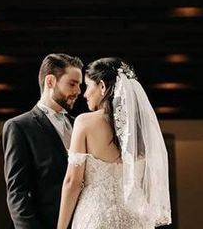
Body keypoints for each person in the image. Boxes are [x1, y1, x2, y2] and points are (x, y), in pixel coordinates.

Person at [56, 57, 172, 229]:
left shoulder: (84, 123)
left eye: (88, 86)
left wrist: (61, 227)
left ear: (102, 86)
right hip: (135, 218)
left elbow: (72, 181)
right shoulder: (142, 129)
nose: (85, 94)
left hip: (96, 217)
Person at [3, 53, 84, 229]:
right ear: (50, 81)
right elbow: (17, 193)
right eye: (72, 84)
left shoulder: (80, 124)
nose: (78, 91)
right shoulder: (19, 127)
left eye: (80, 85)